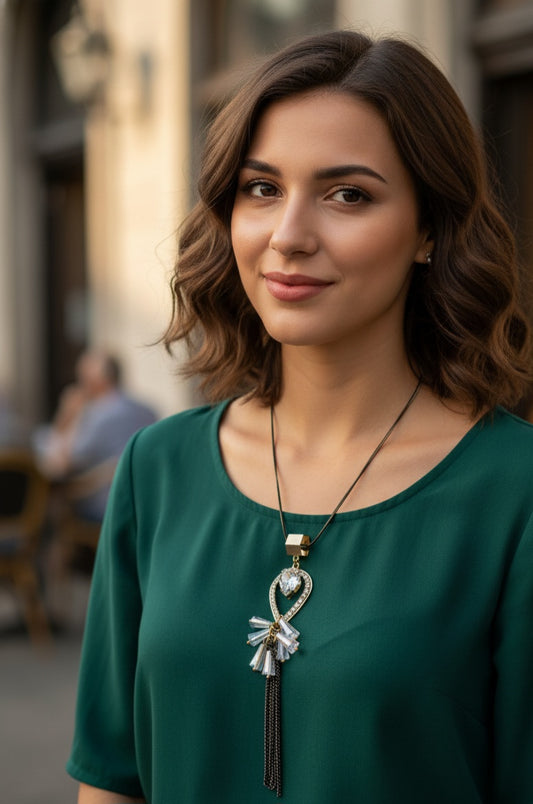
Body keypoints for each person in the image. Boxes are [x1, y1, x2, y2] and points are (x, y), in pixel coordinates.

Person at [67, 30, 533, 803]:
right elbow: (111, 780)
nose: (288, 236)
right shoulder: (157, 469)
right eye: (260, 189)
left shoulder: (513, 492)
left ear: (427, 228)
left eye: (347, 194)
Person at [34, 350, 157, 521]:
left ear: (95, 382)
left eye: (82, 379)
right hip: (146, 500)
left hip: (106, 503)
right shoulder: (147, 410)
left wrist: (67, 414)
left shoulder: (99, 414)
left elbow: (63, 463)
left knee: (50, 502)